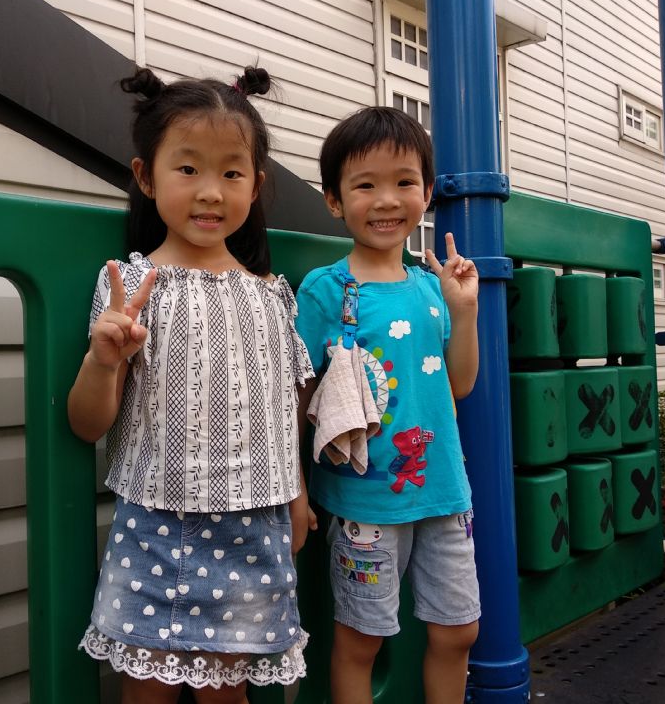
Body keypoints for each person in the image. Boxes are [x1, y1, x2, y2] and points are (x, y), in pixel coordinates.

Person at [68, 65, 315, 703]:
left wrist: (296, 495)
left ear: (256, 186)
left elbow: (283, 411)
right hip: (152, 523)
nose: (210, 192)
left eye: (231, 173)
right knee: (144, 693)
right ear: (146, 176)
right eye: (187, 168)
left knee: (225, 695)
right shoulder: (129, 288)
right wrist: (103, 360)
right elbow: (88, 423)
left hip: (253, 526)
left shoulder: (272, 295)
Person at [295, 106, 481, 704]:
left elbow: (459, 385)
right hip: (365, 500)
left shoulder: (432, 287)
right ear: (334, 200)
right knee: (361, 640)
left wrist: (464, 311)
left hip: (444, 490)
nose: (386, 200)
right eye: (364, 185)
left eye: (404, 182)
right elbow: (298, 394)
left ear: (426, 192)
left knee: (459, 631)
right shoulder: (324, 290)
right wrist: (295, 486)